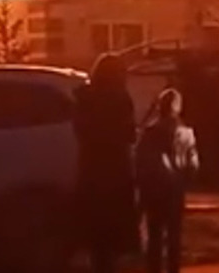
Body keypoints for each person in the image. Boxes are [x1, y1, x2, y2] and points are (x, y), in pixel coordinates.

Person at [74, 52, 139, 273]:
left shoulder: (83, 98)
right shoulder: (120, 99)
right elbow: (129, 135)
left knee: (96, 236)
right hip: (116, 172)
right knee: (113, 234)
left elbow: (79, 131)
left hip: (90, 171)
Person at [136, 88, 199, 273]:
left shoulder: (149, 132)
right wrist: (185, 178)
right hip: (175, 191)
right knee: (174, 237)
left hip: (154, 190)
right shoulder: (186, 134)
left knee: (154, 236)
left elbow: (140, 161)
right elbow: (193, 164)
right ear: (177, 108)